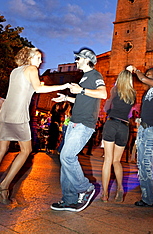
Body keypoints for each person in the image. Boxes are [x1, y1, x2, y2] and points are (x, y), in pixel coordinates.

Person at [0, 46, 70, 205]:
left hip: (4, 114)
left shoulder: (15, 71)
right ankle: (4, 187)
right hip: (18, 115)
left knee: (1, 150)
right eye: (38, 58)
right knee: (26, 150)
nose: (41, 61)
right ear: (29, 57)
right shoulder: (31, 69)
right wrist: (63, 86)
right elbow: (38, 88)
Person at [51, 47, 107, 212]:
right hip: (74, 122)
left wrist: (81, 90)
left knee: (67, 157)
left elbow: (103, 94)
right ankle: (69, 199)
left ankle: (85, 188)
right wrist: (67, 97)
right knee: (65, 159)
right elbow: (83, 100)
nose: (76, 61)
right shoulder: (84, 78)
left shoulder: (95, 75)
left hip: (84, 124)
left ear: (87, 60)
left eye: (78, 58)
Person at [127, 65, 153, 208]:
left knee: (150, 163)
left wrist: (135, 70)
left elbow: (142, 78)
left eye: (152, 74)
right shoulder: (146, 93)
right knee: (142, 164)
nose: (148, 75)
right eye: (147, 73)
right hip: (144, 129)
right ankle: (147, 198)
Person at [101, 69, 136, 202]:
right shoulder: (133, 94)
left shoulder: (115, 90)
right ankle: (120, 188)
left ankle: (105, 194)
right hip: (124, 127)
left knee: (107, 160)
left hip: (112, 124)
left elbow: (106, 108)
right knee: (117, 161)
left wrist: (110, 109)